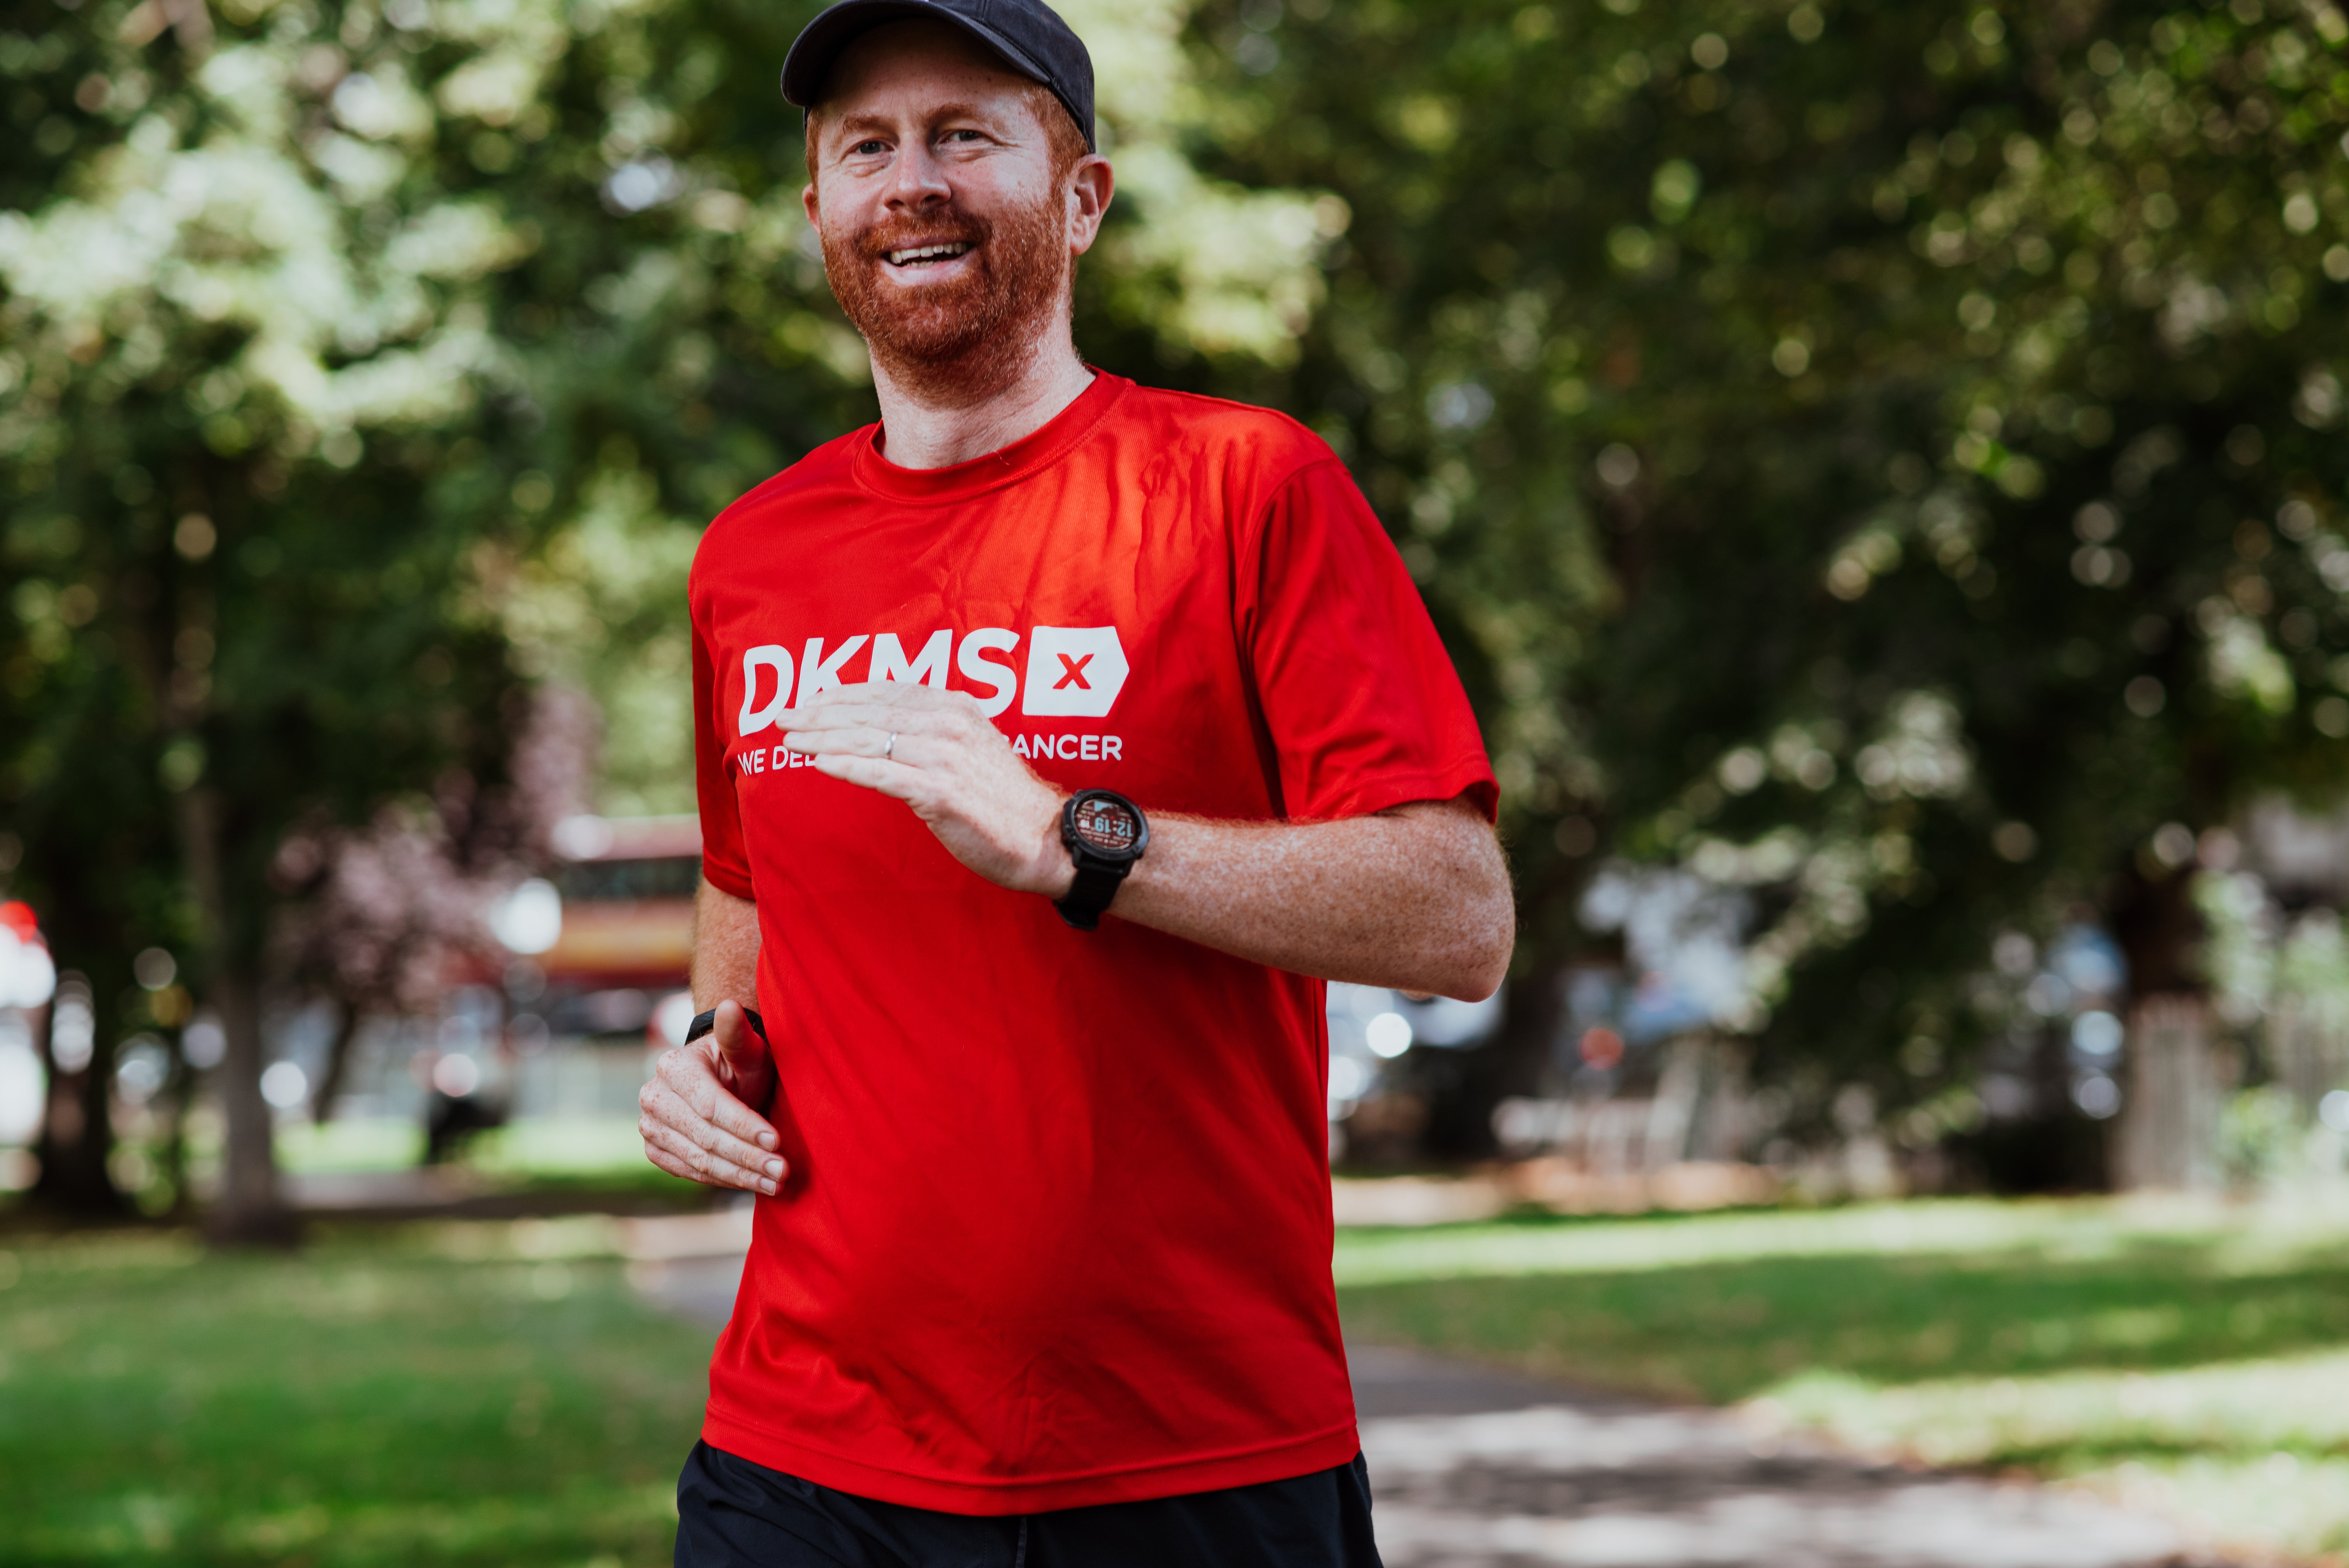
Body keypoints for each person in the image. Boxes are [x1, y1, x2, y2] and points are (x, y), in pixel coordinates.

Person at [637, 1, 1514, 1561]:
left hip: (1185, 1462)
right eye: (866, 147)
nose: (911, 179)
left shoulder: (1249, 489)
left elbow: (1454, 914)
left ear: (1082, 196)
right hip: (798, 1461)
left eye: (967, 133)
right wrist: (714, 1039)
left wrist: (1079, 840)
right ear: (819, 211)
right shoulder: (748, 558)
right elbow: (745, 874)